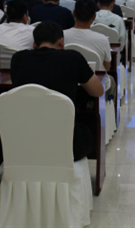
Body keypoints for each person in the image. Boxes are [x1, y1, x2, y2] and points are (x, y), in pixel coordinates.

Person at [10, 22, 104, 161]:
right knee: (87, 128)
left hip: (25, 142)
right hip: (66, 145)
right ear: (61, 42)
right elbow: (97, 91)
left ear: (34, 44)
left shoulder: (17, 59)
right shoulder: (73, 58)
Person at [64, 0, 111, 71]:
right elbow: (107, 67)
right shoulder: (102, 39)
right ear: (94, 16)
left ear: (74, 13)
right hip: (95, 77)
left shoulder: (61, 36)